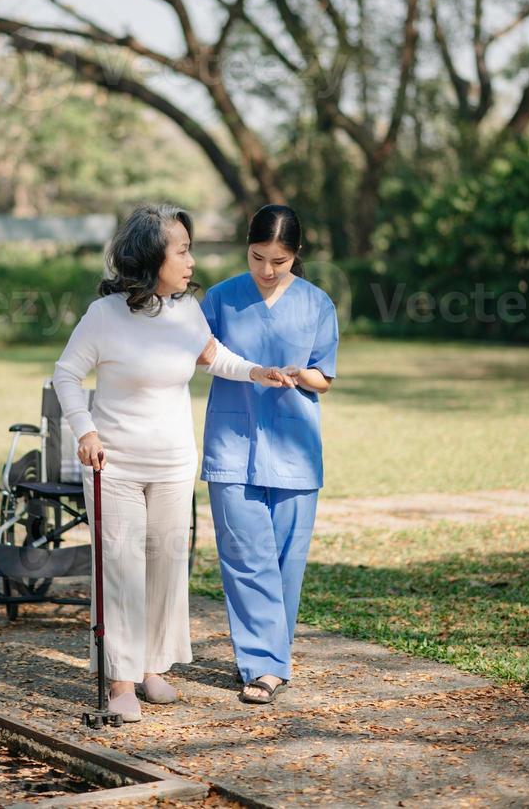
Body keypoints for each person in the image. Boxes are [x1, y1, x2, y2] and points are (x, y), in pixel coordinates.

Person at [52, 204, 294, 723]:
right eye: (181, 250)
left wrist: (259, 372)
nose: (190, 260)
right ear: (150, 256)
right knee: (121, 568)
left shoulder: (186, 309)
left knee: (165, 567)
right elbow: (66, 375)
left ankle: (153, 668)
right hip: (113, 466)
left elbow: (215, 356)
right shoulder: (105, 316)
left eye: (189, 249)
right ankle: (120, 679)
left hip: (174, 464)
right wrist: (85, 431)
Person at [201, 204, 339, 704]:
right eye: (258, 257)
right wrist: (249, 369)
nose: (265, 270)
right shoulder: (220, 299)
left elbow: (324, 376)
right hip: (231, 445)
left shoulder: (318, 304)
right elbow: (200, 352)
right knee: (243, 558)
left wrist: (301, 375)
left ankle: (271, 660)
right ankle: (265, 666)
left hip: (295, 448)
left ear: (295, 256)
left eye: (278, 261)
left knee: (286, 562)